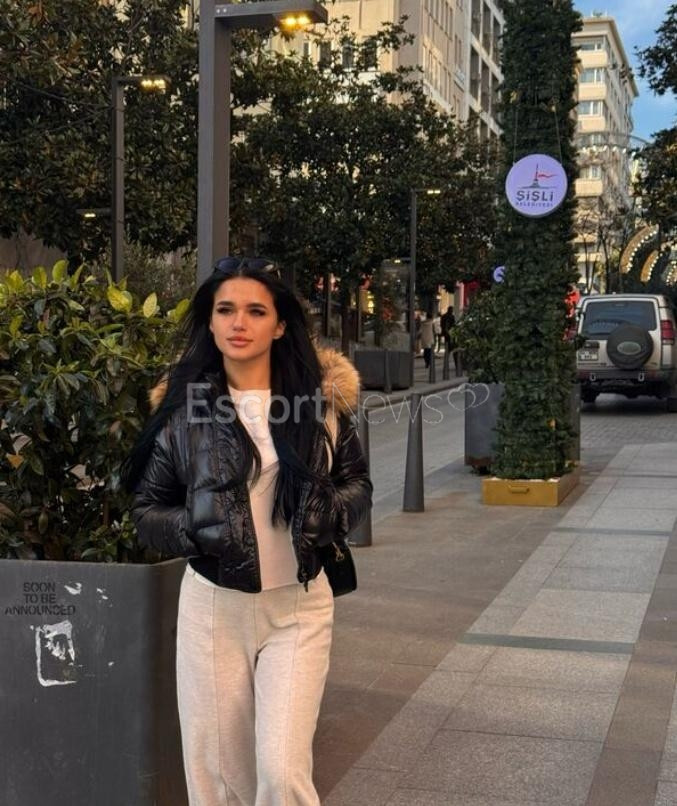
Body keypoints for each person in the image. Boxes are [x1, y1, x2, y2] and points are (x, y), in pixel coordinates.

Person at [124, 257, 373, 806]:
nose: (239, 323)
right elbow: (147, 509)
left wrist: (331, 511)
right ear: (210, 322)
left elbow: (356, 483)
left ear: (280, 325)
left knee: (282, 774)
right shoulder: (183, 412)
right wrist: (194, 527)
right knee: (219, 779)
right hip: (214, 608)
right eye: (226, 310)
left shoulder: (320, 404)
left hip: (300, 607)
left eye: (256, 311)